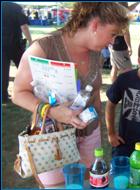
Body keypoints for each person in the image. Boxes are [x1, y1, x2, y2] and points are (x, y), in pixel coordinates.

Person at [12, 2, 129, 188]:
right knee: (56, 187)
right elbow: (18, 93)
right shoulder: (43, 48)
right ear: (95, 25)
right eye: (113, 34)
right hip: (52, 139)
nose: (113, 41)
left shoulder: (95, 53)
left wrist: (97, 125)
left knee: (88, 183)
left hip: (89, 133)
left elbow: (94, 91)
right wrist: (52, 111)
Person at [2, 2, 32, 103]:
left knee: (3, 71)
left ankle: (3, 97)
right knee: (25, 70)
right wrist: (31, 41)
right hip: (15, 44)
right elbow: (24, 26)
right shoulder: (16, 7)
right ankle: (29, 93)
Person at [109, 2, 140, 82]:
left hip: (113, 45)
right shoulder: (122, 17)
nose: (128, 6)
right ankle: (123, 87)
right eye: (126, 4)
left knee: (115, 67)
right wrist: (129, 46)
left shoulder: (115, 13)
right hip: (120, 46)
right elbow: (125, 32)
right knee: (127, 69)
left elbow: (130, 7)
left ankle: (114, 86)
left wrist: (138, 2)